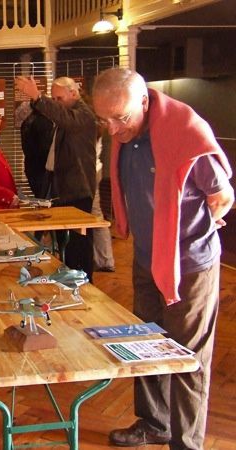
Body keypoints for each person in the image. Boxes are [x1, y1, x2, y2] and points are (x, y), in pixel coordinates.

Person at [92, 68, 234, 449]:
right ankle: (154, 422)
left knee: (188, 357)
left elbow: (223, 195)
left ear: (143, 101)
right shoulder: (125, 132)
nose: (112, 130)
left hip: (189, 263)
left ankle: (186, 443)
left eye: (120, 118)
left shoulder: (183, 130)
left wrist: (203, 222)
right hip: (146, 258)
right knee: (146, 342)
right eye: (103, 119)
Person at [16, 76, 97, 280]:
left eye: (59, 98)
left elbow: (63, 117)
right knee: (65, 243)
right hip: (63, 189)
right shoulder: (70, 115)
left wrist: (38, 97)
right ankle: (69, 278)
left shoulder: (82, 115)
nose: (56, 102)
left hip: (77, 190)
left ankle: (83, 282)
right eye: (54, 98)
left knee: (78, 245)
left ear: (74, 93)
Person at [16, 101, 55, 199]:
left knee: (41, 198)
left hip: (31, 168)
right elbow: (46, 149)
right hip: (43, 170)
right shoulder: (44, 122)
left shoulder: (27, 123)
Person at [92, 132, 115, 272]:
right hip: (94, 169)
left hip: (92, 171)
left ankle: (105, 259)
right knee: (95, 216)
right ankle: (103, 258)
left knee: (96, 217)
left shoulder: (88, 120)